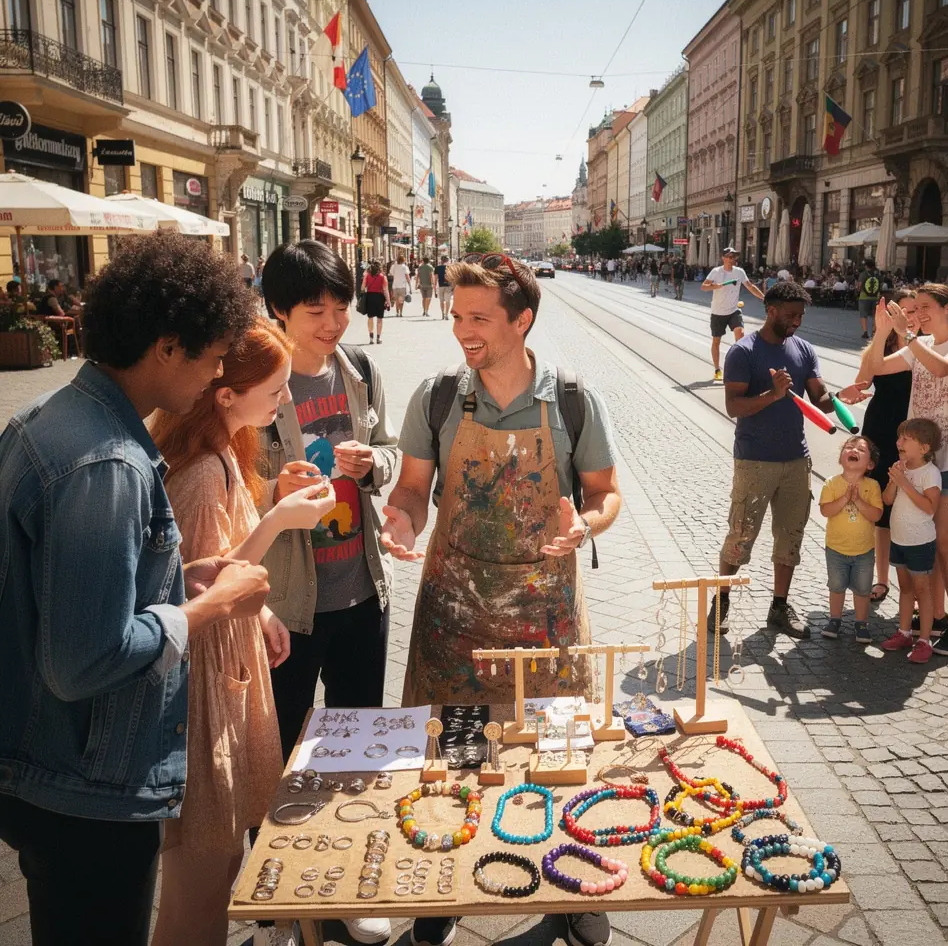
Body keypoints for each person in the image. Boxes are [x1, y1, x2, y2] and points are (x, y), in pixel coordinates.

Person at [0, 232, 270, 946]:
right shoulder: (107, 462)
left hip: (44, 767)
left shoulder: (49, 417)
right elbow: (85, 659)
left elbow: (61, 592)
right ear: (168, 347)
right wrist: (207, 608)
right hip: (84, 786)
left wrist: (179, 581)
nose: (219, 374)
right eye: (214, 356)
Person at [381, 253, 621, 946]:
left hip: (547, 619)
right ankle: (441, 887)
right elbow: (412, 490)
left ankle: (570, 888)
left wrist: (585, 524)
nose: (463, 330)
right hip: (454, 618)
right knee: (452, 760)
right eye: (458, 316)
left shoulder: (571, 399)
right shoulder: (437, 396)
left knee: (555, 754)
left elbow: (605, 492)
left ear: (523, 320)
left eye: (480, 318)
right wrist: (401, 521)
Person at [148, 320, 336, 946]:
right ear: (226, 394)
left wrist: (262, 612)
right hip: (202, 688)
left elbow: (216, 564)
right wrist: (280, 519)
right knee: (202, 877)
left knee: (222, 863)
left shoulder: (224, 448)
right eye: (276, 390)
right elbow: (211, 588)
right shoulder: (204, 471)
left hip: (223, 667)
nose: (286, 399)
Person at [258, 241, 398, 946]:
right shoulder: (257, 379)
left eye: (341, 305)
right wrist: (272, 491)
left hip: (361, 593)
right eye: (315, 309)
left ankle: (348, 886)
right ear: (278, 310)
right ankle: (281, 904)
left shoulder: (360, 370)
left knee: (357, 749)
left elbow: (393, 451)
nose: (334, 320)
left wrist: (375, 464)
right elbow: (223, 486)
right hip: (287, 605)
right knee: (281, 755)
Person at [839, 285, 948, 656]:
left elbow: (941, 367)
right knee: (928, 542)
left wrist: (906, 335)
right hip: (919, 461)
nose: (918, 314)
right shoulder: (918, 344)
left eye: (925, 307)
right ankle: (937, 616)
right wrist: (883, 331)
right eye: (914, 308)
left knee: (944, 540)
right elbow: (875, 368)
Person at [714, 281, 836, 639]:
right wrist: (773, 394)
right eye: (791, 315)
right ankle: (721, 601)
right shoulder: (743, 352)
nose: (797, 321)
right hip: (755, 460)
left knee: (790, 536)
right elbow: (734, 407)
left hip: (796, 459)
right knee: (741, 534)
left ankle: (779, 607)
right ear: (771, 311)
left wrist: (843, 397)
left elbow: (819, 398)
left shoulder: (804, 349)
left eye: (801, 315)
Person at [847, 289, 917, 604]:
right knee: (881, 511)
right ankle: (882, 579)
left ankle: (914, 584)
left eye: (914, 311)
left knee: (910, 508)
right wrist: (880, 334)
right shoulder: (880, 348)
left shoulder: (924, 347)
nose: (908, 317)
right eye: (902, 311)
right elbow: (863, 380)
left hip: (912, 435)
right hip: (880, 429)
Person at [879, 418, 943, 664]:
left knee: (922, 591)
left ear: (924, 448)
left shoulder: (930, 473)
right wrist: (894, 481)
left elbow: (930, 508)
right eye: (900, 438)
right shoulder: (901, 467)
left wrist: (905, 483)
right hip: (899, 539)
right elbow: (887, 500)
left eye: (906, 439)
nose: (899, 442)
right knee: (905, 588)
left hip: (920, 543)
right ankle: (904, 632)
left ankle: (924, 640)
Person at [819, 436, 884, 643]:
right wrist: (845, 499)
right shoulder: (832, 483)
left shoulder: (872, 486)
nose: (853, 450)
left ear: (870, 464)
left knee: (863, 590)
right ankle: (835, 619)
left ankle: (861, 623)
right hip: (836, 549)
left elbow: (876, 515)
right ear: (841, 458)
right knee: (836, 586)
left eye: (861, 450)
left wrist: (857, 500)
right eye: (849, 447)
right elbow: (826, 510)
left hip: (864, 551)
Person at [701, 247, 765, 382]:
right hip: (718, 312)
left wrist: (764, 298)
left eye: (734, 257)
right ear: (723, 258)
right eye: (730, 257)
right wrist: (716, 286)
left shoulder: (739, 272)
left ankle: (740, 365)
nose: (732, 259)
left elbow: (750, 286)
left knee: (740, 335)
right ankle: (717, 369)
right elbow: (704, 286)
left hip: (733, 310)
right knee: (716, 341)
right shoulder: (716, 272)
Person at [361, 260, 390, 345]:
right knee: (379, 319)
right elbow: (385, 290)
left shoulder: (367, 275)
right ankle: (378, 338)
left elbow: (363, 287)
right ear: (380, 267)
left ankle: (371, 338)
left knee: (370, 317)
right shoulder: (383, 277)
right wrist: (388, 302)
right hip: (380, 298)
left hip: (370, 297)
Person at [857, 259, 881, 339]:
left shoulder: (863, 274)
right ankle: (874, 331)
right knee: (875, 314)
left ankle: (865, 332)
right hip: (875, 296)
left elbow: (859, 286)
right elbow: (880, 284)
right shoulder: (877, 274)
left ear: (866, 266)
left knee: (863, 315)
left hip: (864, 297)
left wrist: (858, 290)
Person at [436, 254, 452, 319]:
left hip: (440, 286)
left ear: (441, 260)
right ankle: (447, 314)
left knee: (441, 301)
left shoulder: (437, 268)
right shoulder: (450, 267)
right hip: (448, 286)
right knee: (448, 301)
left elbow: (435, 279)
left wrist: (434, 289)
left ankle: (442, 314)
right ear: (447, 260)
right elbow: (453, 278)